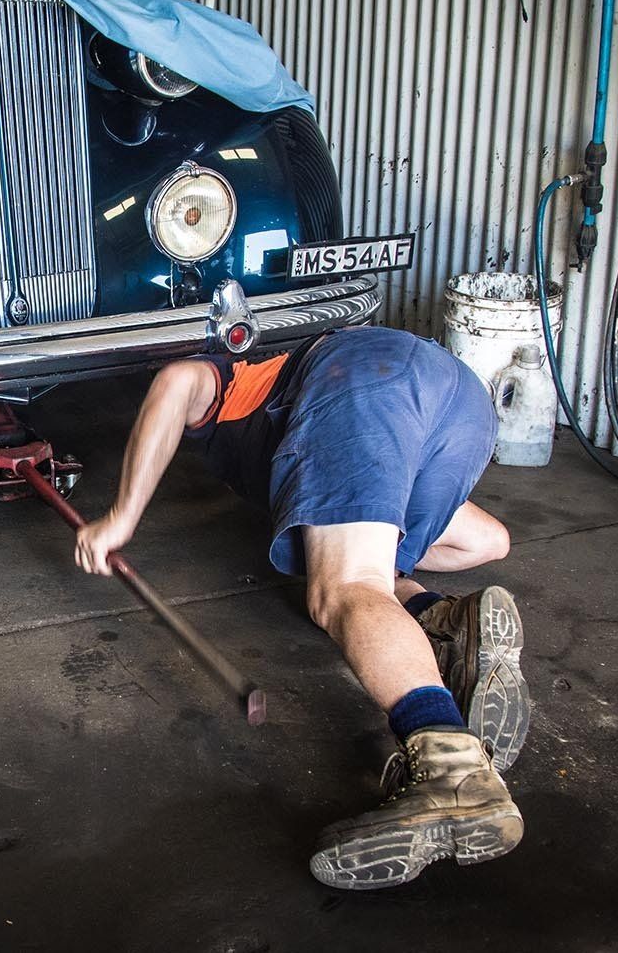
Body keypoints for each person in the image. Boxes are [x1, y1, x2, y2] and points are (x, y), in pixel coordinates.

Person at [74, 325, 530, 890]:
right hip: (461, 399)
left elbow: (173, 382)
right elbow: (487, 542)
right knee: (376, 566)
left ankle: (452, 768)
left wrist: (121, 516)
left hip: (362, 378)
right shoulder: (290, 405)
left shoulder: (223, 375)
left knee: (343, 588)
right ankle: (444, 620)